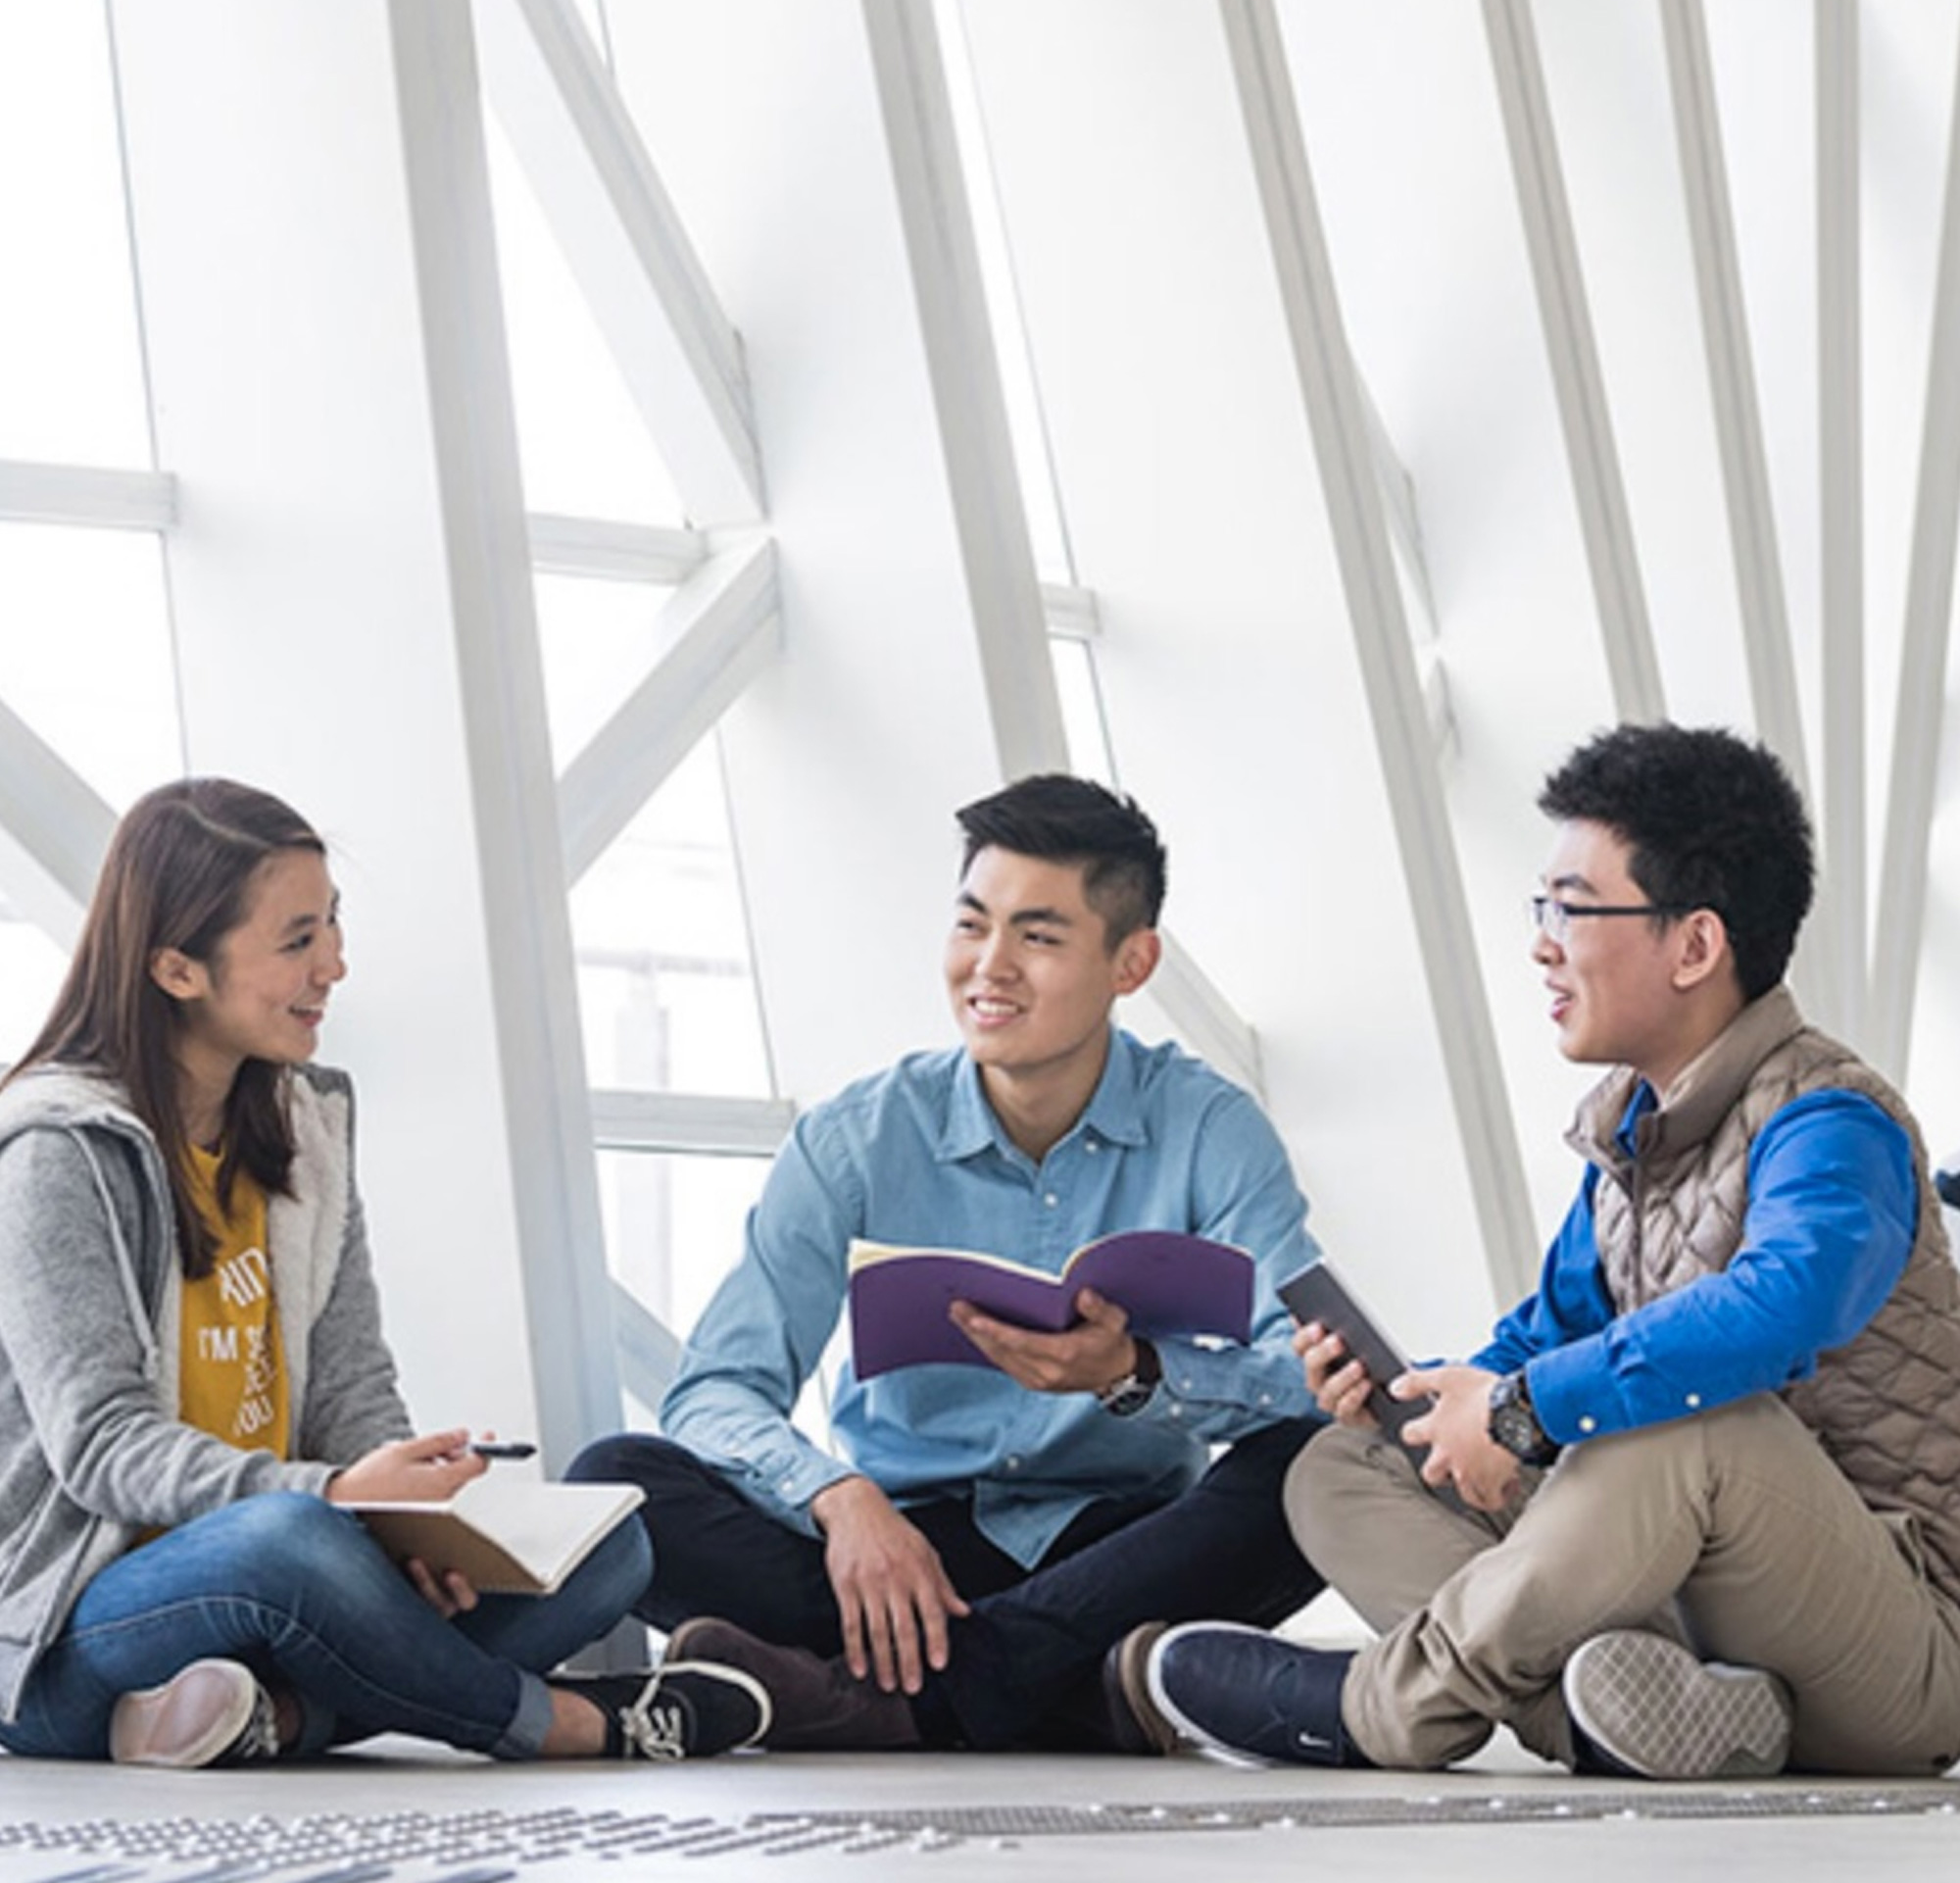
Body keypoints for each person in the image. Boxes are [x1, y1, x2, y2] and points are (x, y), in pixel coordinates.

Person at [1138, 723, 1960, 1780]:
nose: (1539, 942)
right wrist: (1412, 1393)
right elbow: (1526, 1348)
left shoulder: (1830, 1120)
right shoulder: (1629, 1140)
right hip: (1707, 1618)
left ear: (1693, 944)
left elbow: (1782, 1304)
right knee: (1345, 1464)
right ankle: (1633, 1710)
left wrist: (1521, 1408)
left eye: (1569, 907)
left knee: (1691, 1426)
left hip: (1899, 1645)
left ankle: (1383, 1705)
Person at [0, 778, 767, 1767]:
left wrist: (408, 1523)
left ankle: (265, 1716)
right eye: (297, 939)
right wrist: (332, 1498)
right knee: (287, 1545)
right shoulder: (55, 1153)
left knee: (607, 1545)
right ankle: (570, 1722)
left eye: (332, 927)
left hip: (297, 1556)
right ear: (177, 966)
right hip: (75, 1627)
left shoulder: (306, 1129)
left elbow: (353, 1379)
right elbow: (101, 1442)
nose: (335, 964)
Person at [567, 773, 1324, 1752]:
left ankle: (891, 1695)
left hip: (1114, 1548)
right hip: (897, 1550)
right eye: (972, 924)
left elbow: (1306, 1375)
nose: (989, 966)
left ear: (1130, 961)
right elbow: (717, 1387)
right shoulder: (855, 1136)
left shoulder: (1208, 1130)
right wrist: (836, 1499)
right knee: (612, 1479)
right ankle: (1071, 1687)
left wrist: (1137, 1373)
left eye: (1038, 936)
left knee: (1319, 1465)